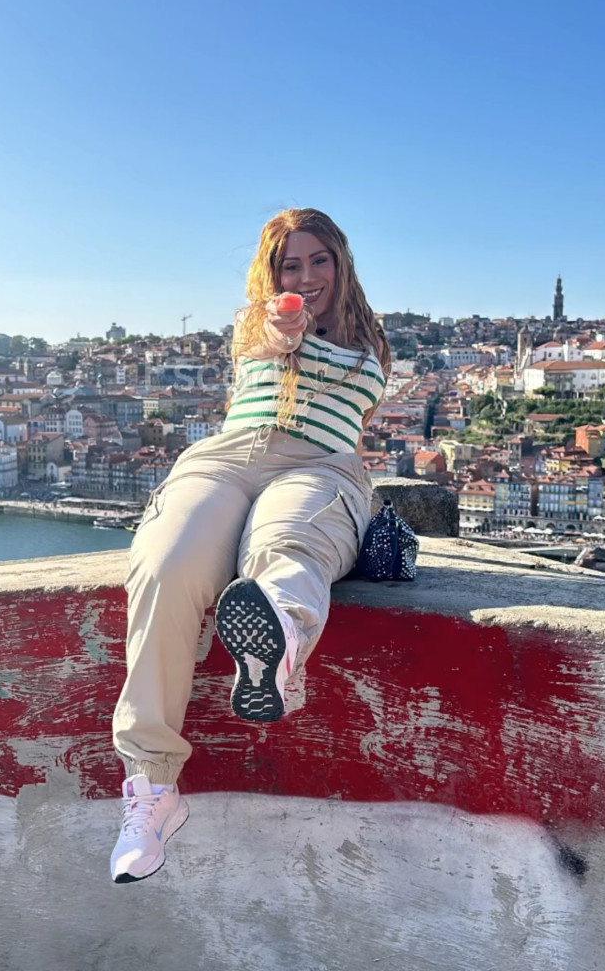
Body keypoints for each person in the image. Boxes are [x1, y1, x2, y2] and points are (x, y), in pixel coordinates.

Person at [110, 208, 391, 883]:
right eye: (290, 266)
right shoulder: (256, 323)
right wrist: (281, 324)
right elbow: (272, 333)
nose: (306, 276)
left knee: (288, 541)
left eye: (318, 260)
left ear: (340, 262)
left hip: (319, 463)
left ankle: (278, 643)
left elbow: (351, 405)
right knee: (165, 566)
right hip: (227, 458)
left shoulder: (373, 344)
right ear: (273, 274)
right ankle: (152, 786)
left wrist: (304, 335)